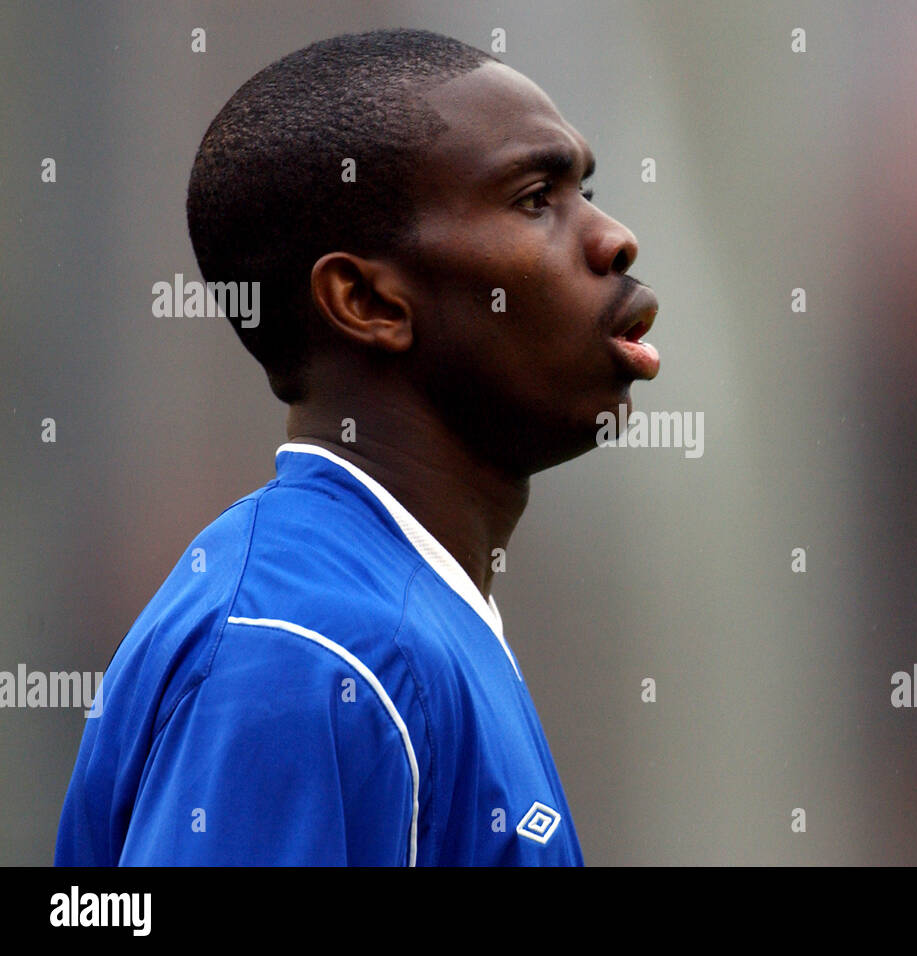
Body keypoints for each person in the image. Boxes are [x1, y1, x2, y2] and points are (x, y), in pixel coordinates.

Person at [55, 28, 660, 866]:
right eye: (534, 198)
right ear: (367, 300)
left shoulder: (395, 614)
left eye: (585, 190)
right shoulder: (300, 655)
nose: (614, 239)